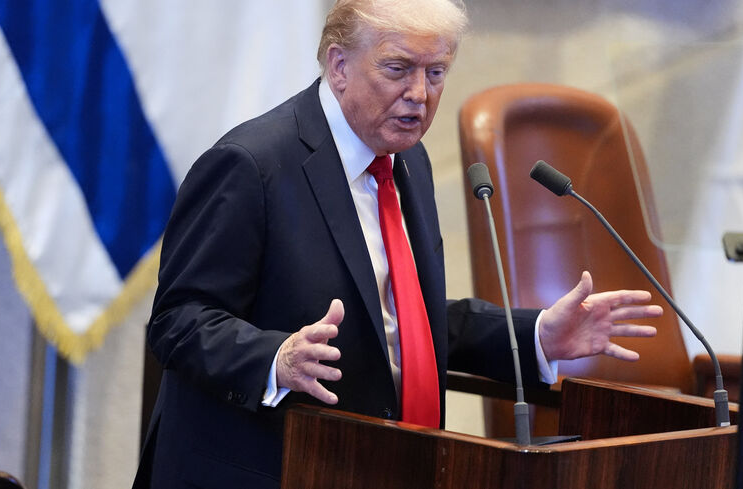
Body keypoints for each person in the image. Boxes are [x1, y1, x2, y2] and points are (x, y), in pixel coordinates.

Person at [132, 1, 661, 487]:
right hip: (267, 467)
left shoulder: (406, 160)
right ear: (338, 66)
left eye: (436, 73)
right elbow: (179, 320)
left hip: (381, 462)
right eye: (397, 69)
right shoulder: (251, 165)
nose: (419, 94)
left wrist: (539, 334)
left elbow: (409, 318)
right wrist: (275, 357)